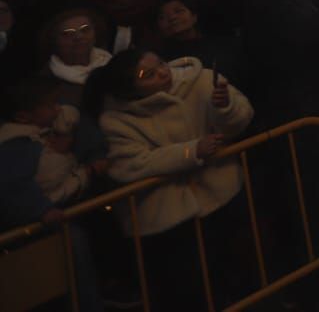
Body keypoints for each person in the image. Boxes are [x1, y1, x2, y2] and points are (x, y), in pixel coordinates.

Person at [83, 51, 254, 309]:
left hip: (221, 194)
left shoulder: (202, 81)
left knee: (236, 272)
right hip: (169, 215)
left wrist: (224, 108)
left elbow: (239, 120)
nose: (163, 72)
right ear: (130, 89)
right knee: (190, 289)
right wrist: (190, 151)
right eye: (148, 75)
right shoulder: (116, 119)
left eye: (160, 64)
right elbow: (128, 165)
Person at [1, 76, 109, 311]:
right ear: (23, 116)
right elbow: (12, 184)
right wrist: (43, 210)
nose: (57, 108)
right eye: (50, 105)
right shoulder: (15, 145)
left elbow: (74, 118)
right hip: (34, 232)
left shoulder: (43, 135)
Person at [152, 0, 244, 84]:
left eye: (178, 11)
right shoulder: (160, 60)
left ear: (194, 16)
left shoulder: (222, 45)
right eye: (162, 16)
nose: (172, 18)